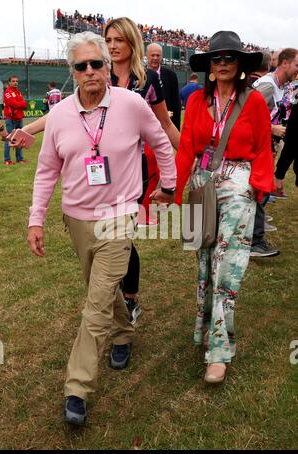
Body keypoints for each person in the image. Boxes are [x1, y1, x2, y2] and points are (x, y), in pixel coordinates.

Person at [27, 31, 176, 426]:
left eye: (98, 64)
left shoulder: (130, 104)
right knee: (102, 289)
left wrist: (170, 183)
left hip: (119, 216)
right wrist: (36, 219)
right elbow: (46, 172)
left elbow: (160, 140)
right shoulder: (59, 115)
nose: (91, 71)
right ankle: (125, 331)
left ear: (108, 68)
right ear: (72, 73)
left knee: (94, 306)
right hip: (76, 218)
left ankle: (77, 389)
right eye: (82, 66)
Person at [175, 31, 273, 383]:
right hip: (201, 182)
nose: (223, 63)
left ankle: (219, 349)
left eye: (230, 58)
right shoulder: (199, 103)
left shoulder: (255, 101)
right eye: (217, 59)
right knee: (204, 260)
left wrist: (258, 189)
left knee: (226, 264)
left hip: (238, 184)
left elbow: (263, 147)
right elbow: (187, 146)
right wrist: (174, 190)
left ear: (240, 64)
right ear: (209, 67)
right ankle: (204, 328)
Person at [105, 17, 180, 319]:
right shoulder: (96, 71)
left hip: (132, 171)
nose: (112, 46)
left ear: (131, 42)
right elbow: (66, 113)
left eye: (118, 40)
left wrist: (194, 153)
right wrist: (31, 129)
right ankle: (108, 294)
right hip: (97, 171)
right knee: (103, 236)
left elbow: (164, 123)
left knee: (122, 237)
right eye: (108, 39)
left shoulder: (147, 78)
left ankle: (130, 299)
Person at [250, 47, 298, 257]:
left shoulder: (280, 86)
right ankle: (254, 240)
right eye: (297, 65)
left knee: (260, 191)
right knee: (257, 190)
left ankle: (254, 235)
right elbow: (244, 115)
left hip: (265, 147)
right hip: (254, 149)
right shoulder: (267, 86)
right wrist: (272, 128)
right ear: (285, 63)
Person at [146, 42, 181, 130]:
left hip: (166, 127)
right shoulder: (139, 75)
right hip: (146, 127)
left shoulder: (171, 75)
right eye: (152, 55)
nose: (155, 58)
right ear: (147, 55)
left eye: (158, 55)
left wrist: (176, 129)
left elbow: (176, 104)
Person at [3, 75, 28, 165]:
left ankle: (19, 158)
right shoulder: (7, 92)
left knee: (20, 139)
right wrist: (20, 103)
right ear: (9, 82)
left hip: (19, 118)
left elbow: (25, 105)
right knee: (9, 139)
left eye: (16, 81)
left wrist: (20, 103)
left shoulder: (18, 92)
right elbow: (14, 104)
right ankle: (7, 160)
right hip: (11, 119)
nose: (15, 82)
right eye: (13, 81)